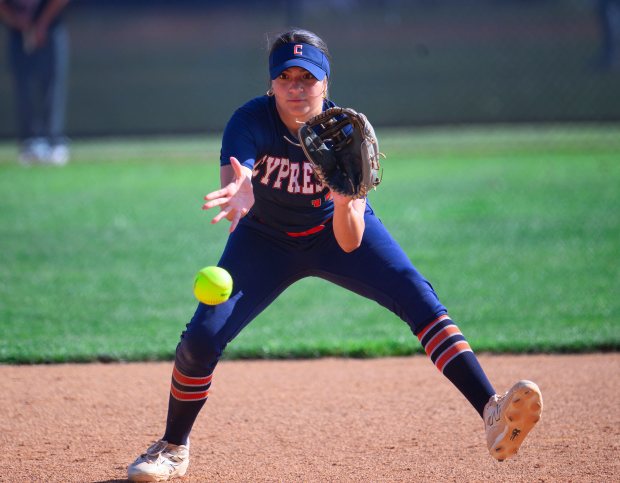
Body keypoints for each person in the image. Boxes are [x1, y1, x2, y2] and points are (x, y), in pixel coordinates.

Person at [127, 28, 543, 482]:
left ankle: (491, 411)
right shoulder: (250, 120)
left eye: (307, 76)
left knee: (417, 294)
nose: (296, 86)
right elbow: (239, 169)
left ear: (325, 83)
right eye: (285, 76)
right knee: (201, 339)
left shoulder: (346, 134)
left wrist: (345, 200)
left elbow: (349, 241)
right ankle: (172, 447)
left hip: (333, 231)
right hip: (263, 240)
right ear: (271, 84)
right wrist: (242, 185)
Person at [0, 0, 71, 166]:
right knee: (23, 88)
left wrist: (42, 23)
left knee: (52, 84)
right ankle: (30, 141)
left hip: (51, 26)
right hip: (17, 31)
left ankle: (54, 141)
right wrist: (17, 21)